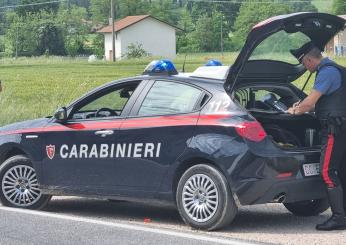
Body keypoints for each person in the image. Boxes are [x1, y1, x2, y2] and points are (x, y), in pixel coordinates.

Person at [287, 41, 346, 231]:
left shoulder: (326, 72)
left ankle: (338, 218)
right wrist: (301, 107)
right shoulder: (337, 69)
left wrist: (294, 111)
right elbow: (321, 102)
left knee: (328, 171)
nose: (305, 67)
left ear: (309, 59)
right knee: (342, 171)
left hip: (334, 130)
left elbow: (310, 102)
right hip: (342, 126)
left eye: (304, 63)